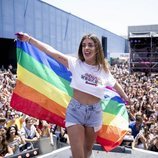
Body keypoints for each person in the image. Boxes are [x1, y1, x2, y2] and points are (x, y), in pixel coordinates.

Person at [16, 32, 129, 158]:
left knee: (87, 151)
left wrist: (125, 97)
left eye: (90, 45)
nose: (86, 48)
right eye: (84, 45)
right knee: (78, 155)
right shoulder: (75, 63)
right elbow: (51, 52)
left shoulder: (104, 71)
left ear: (97, 49)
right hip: (75, 112)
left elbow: (115, 84)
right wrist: (30, 39)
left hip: (95, 114)